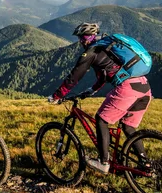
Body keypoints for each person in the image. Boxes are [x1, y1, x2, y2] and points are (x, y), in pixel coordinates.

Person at [48, 23, 152, 173]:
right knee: (128, 127)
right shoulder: (107, 48)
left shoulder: (91, 52)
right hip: (144, 87)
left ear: (89, 37)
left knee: (101, 119)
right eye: (80, 37)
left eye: (82, 37)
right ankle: (146, 164)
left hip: (127, 88)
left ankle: (103, 162)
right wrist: (92, 90)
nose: (81, 41)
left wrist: (57, 96)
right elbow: (105, 74)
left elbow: (74, 77)